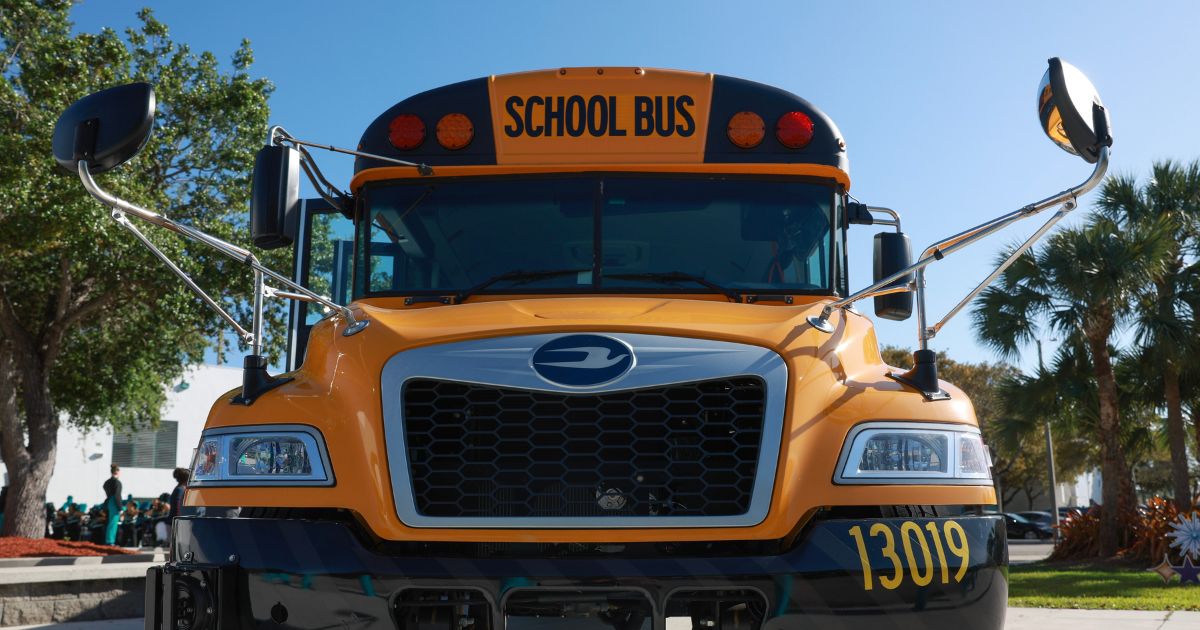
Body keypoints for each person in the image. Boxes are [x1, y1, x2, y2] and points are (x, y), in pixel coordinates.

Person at [102, 464, 122, 545]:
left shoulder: (107, 482)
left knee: (110, 522)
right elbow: (117, 495)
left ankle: (109, 540)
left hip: (109, 501)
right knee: (113, 523)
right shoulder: (117, 482)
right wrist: (120, 508)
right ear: (117, 471)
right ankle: (110, 541)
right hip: (114, 502)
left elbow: (105, 487)